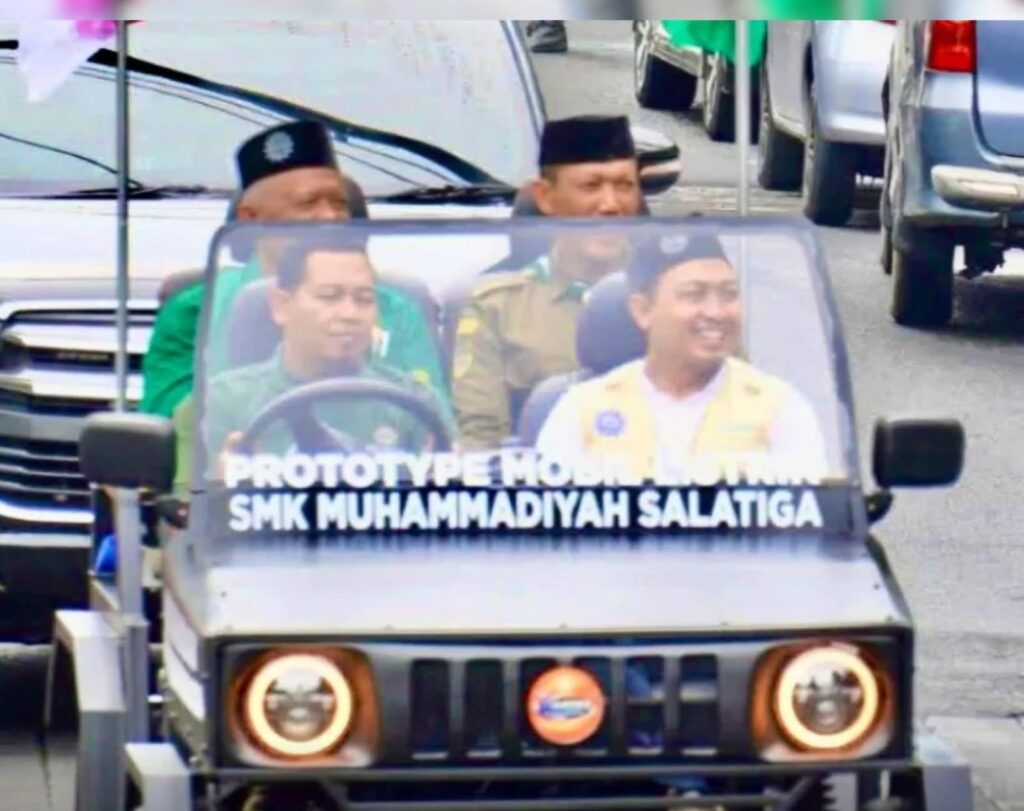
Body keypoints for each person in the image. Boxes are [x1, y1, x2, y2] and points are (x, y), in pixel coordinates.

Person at [140, 119, 449, 422]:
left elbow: (435, 424)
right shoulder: (196, 312)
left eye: (339, 203)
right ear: (250, 219)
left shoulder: (397, 310)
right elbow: (174, 431)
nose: (330, 217)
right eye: (308, 203)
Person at [536, 233, 829, 482]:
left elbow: (814, 518)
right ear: (643, 311)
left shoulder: (779, 406)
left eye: (729, 295)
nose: (716, 312)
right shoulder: (581, 408)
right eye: (694, 295)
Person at [452, 114, 644, 449]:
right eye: (591, 186)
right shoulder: (499, 306)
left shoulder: (679, 298)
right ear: (545, 197)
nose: (611, 205)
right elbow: (480, 440)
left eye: (624, 186)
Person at [205, 235, 449, 466]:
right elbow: (192, 492)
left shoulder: (417, 402)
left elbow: (456, 486)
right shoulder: (222, 401)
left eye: (364, 299)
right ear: (281, 306)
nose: (350, 314)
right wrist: (222, 484)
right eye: (330, 297)